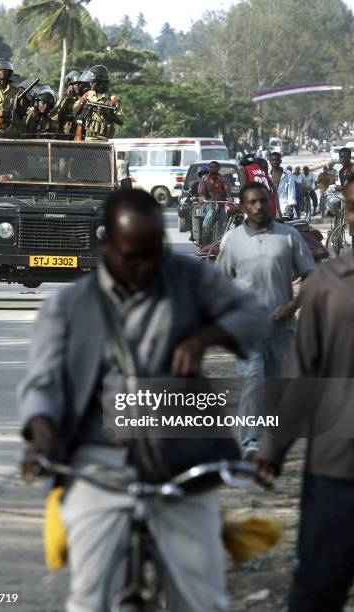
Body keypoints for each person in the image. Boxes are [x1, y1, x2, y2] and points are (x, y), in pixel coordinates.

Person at [19, 188, 270, 612]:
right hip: (99, 463)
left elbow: (255, 316)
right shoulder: (67, 305)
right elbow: (42, 383)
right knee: (89, 596)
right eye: (133, 256)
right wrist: (40, 431)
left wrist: (207, 336)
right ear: (106, 245)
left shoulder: (189, 278)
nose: (146, 267)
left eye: (155, 253)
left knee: (203, 598)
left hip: (183, 459)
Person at [257, 178, 354, 612]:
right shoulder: (331, 285)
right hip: (338, 467)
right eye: (352, 207)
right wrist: (273, 447)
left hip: (336, 464)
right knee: (317, 588)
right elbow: (303, 373)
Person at [216, 183, 315, 458]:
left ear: (270, 202)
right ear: (243, 206)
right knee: (253, 378)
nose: (259, 206)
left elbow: (310, 275)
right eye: (252, 202)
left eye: (263, 201)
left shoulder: (289, 236)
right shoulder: (231, 241)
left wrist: (293, 305)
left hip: (281, 326)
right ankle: (250, 442)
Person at [75, 65, 123, 142]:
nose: (90, 84)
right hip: (87, 137)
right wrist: (82, 104)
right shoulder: (88, 95)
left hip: (101, 139)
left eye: (93, 82)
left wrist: (106, 113)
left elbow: (120, 120)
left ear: (100, 83)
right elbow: (75, 112)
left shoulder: (112, 99)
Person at [199, 161, 231, 245]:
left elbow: (228, 190)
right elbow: (201, 192)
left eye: (215, 167)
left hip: (221, 204)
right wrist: (203, 198)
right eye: (211, 167)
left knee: (224, 221)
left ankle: (223, 242)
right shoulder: (204, 179)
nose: (213, 168)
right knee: (208, 219)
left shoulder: (223, 179)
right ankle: (205, 243)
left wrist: (230, 198)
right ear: (209, 168)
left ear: (219, 168)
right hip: (209, 204)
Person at [239, 153, 279, 217]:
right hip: (271, 208)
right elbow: (275, 189)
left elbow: (244, 189)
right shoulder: (262, 170)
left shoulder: (244, 169)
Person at [269, 152, 296, 218]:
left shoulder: (288, 174)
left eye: (277, 160)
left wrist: (290, 205)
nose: (275, 162)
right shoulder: (267, 175)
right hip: (272, 206)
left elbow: (291, 191)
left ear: (280, 161)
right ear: (270, 161)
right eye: (273, 160)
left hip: (285, 206)